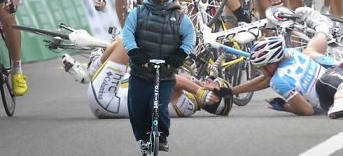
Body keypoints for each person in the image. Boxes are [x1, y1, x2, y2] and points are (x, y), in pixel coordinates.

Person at [122, 0, 196, 152]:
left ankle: (161, 136)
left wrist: (179, 55)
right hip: (140, 73)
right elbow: (128, 33)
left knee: (159, 106)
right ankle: (143, 138)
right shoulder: (137, 13)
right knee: (137, 109)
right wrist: (135, 52)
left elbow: (190, 37)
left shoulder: (180, 17)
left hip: (165, 75)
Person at [59, 38, 232, 119]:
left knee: (126, 43)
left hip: (105, 100)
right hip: (109, 99)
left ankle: (90, 72)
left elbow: (172, 80)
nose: (209, 80)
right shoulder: (191, 100)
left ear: (213, 99)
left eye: (213, 84)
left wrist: (198, 89)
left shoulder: (188, 106)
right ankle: (93, 68)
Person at [226, 7, 334, 116]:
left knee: (309, 53)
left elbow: (308, 110)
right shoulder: (291, 54)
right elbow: (265, 80)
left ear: (271, 64)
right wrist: (231, 91)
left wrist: (286, 106)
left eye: (260, 66)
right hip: (342, 75)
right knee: (309, 52)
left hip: (334, 100)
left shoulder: (277, 81)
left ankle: (322, 28)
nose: (260, 70)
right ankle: (322, 29)